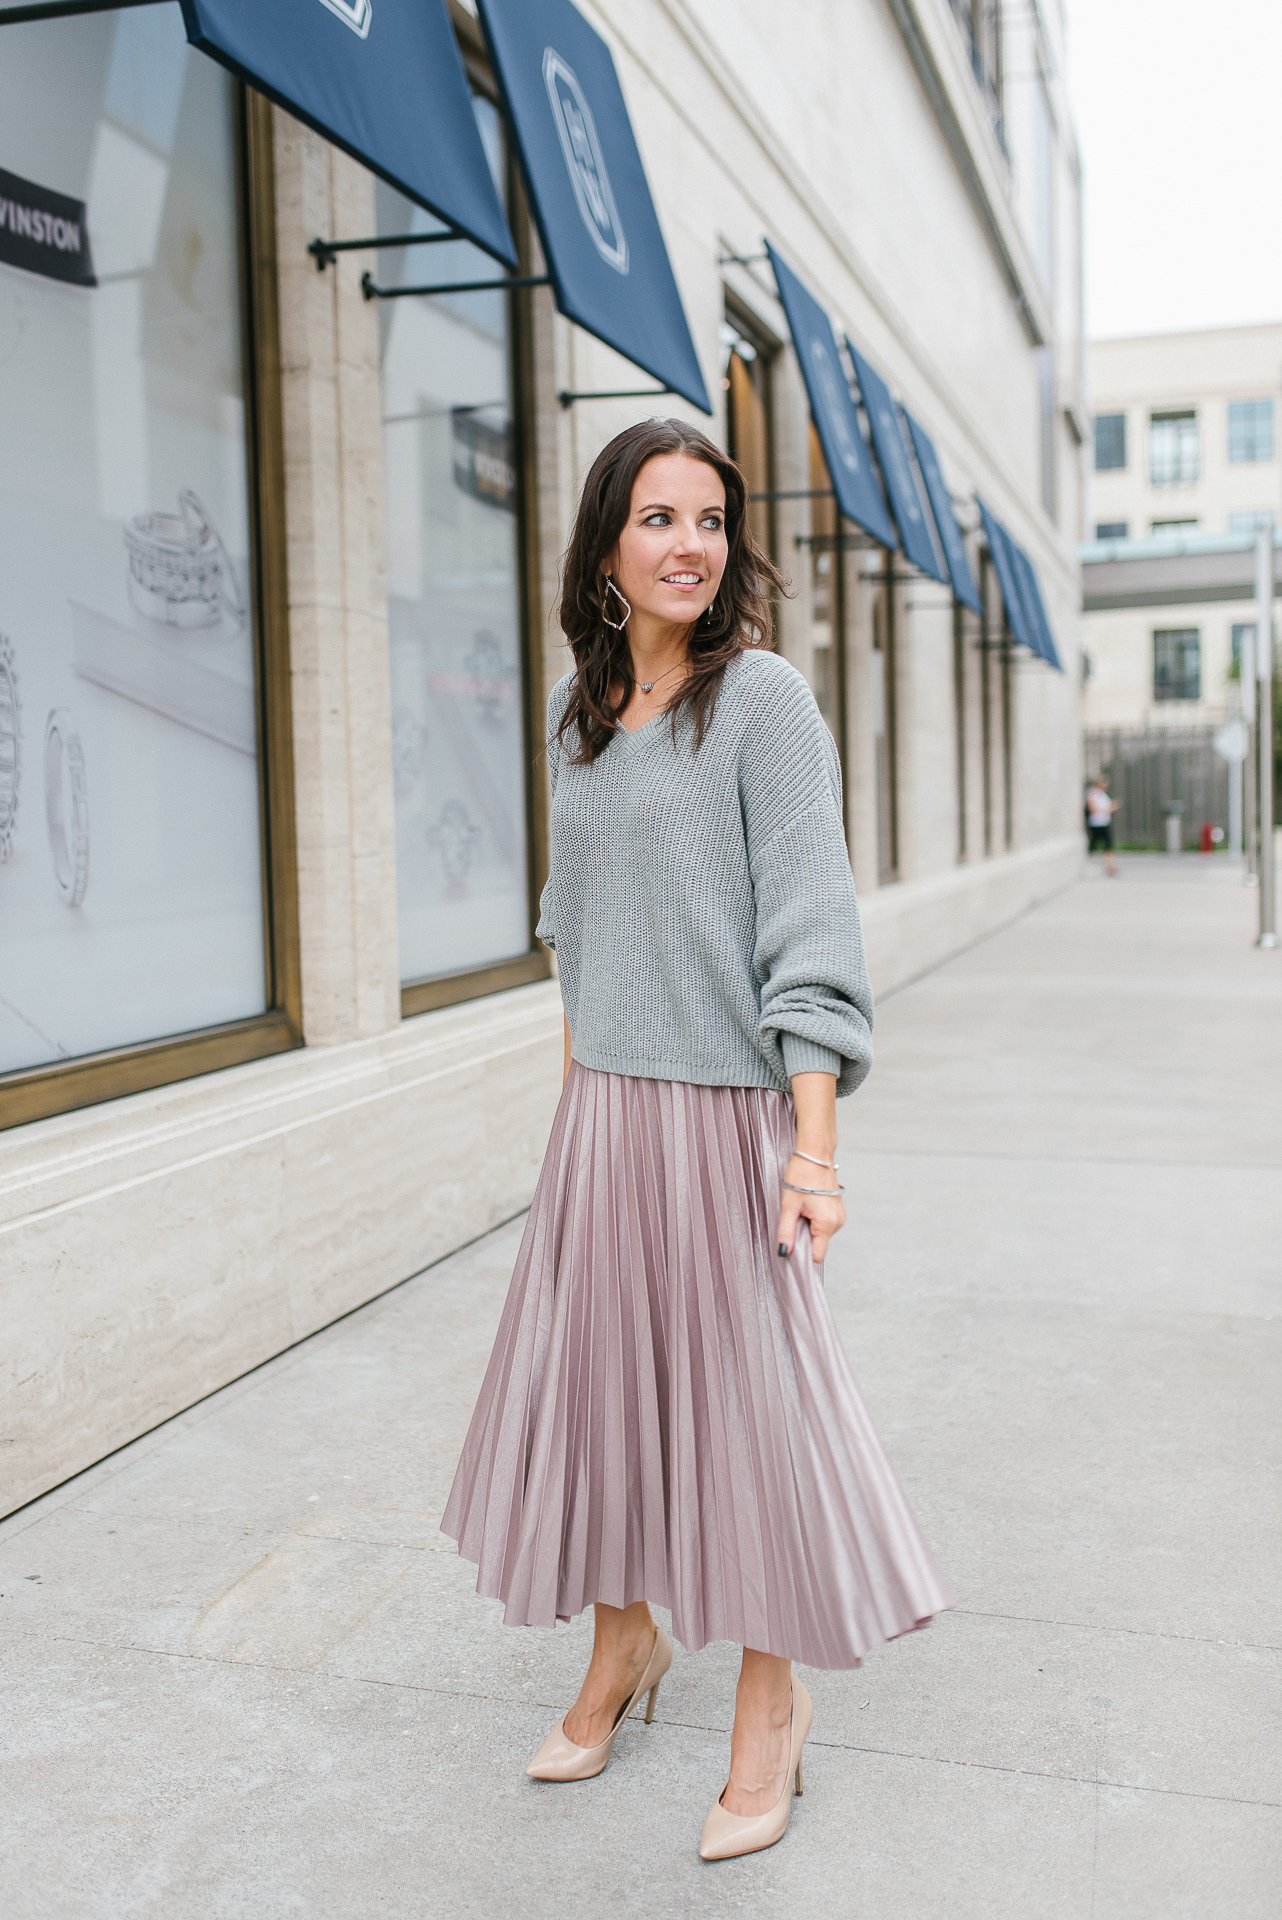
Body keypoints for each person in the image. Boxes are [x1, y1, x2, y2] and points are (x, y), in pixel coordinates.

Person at [441, 419, 952, 1863]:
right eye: (657, 517)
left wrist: (812, 1152)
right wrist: (571, 1108)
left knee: (754, 1429)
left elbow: (809, 935)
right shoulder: (577, 711)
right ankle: (622, 1652)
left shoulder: (766, 705)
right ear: (605, 544)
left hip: (732, 1124)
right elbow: (571, 933)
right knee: (602, 1405)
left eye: (710, 520)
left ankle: (770, 1708)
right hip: (601, 1115)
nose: (687, 544)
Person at [1085, 775, 1119, 875]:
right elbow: (1093, 809)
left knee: (1108, 845)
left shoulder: (1101, 794)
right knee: (1093, 845)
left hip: (1104, 822)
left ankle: (1110, 867)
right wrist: (1109, 809)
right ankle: (1086, 864)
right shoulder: (1093, 794)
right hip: (1097, 823)